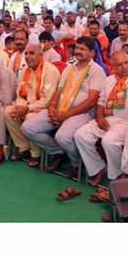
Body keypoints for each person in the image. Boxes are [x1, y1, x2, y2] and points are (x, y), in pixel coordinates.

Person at [21, 37, 106, 178]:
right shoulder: (69, 68)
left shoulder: (96, 71)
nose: (78, 51)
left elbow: (91, 101)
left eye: (83, 49)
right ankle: (59, 153)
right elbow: (58, 92)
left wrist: (66, 115)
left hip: (82, 113)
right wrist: (53, 106)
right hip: (60, 109)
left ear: (92, 53)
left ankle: (76, 164)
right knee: (28, 128)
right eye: (77, 48)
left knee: (62, 136)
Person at [74, 51, 128, 189]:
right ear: (113, 68)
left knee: (109, 141)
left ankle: (117, 176)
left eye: (126, 62)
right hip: (109, 120)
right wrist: (100, 117)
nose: (124, 67)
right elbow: (101, 102)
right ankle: (98, 168)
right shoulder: (108, 80)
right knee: (80, 135)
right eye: (119, 65)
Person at [4, 44, 61, 167]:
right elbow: (20, 94)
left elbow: (47, 100)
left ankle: (36, 154)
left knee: (30, 119)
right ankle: (24, 148)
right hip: (28, 105)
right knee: (9, 111)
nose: (28, 56)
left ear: (40, 55)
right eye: (26, 53)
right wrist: (20, 107)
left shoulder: (50, 71)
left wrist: (27, 109)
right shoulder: (25, 69)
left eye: (32, 53)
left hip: (45, 108)